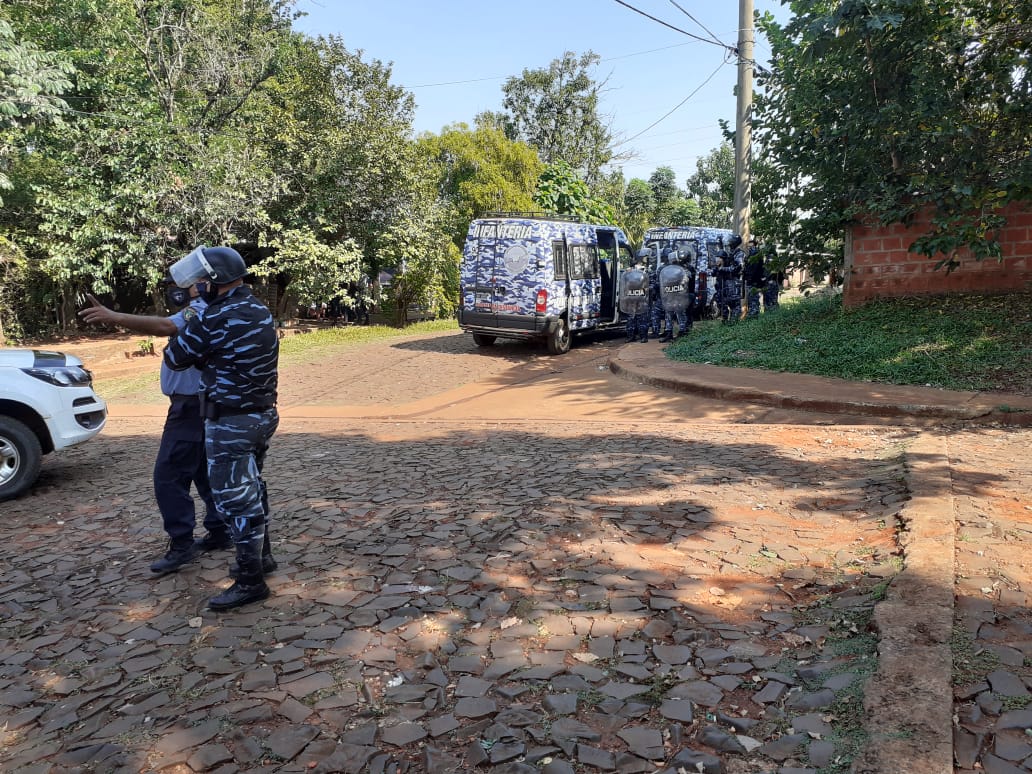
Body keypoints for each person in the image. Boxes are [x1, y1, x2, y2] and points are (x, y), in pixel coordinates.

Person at [78, 280, 227, 576]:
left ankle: (182, 543)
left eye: (193, 283)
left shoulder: (198, 311)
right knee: (203, 471)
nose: (185, 288)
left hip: (189, 407)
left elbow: (163, 326)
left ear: (209, 284)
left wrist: (115, 316)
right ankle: (220, 530)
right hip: (200, 403)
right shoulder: (216, 309)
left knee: (169, 475)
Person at [164, 245, 280, 611]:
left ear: (213, 283)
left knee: (235, 501)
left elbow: (175, 358)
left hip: (229, 421)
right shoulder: (259, 310)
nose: (194, 288)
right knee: (253, 487)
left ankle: (250, 581)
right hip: (260, 417)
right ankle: (262, 558)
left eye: (199, 283)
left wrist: (190, 318)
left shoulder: (214, 318)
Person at [743, 236, 766, 319]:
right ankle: (753, 316)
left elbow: (754, 270)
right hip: (752, 282)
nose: (750, 248)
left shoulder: (755, 255)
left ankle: (754, 317)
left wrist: (748, 277)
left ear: (755, 246)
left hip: (754, 282)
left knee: (753, 301)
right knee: (752, 300)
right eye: (749, 247)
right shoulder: (751, 256)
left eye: (751, 247)